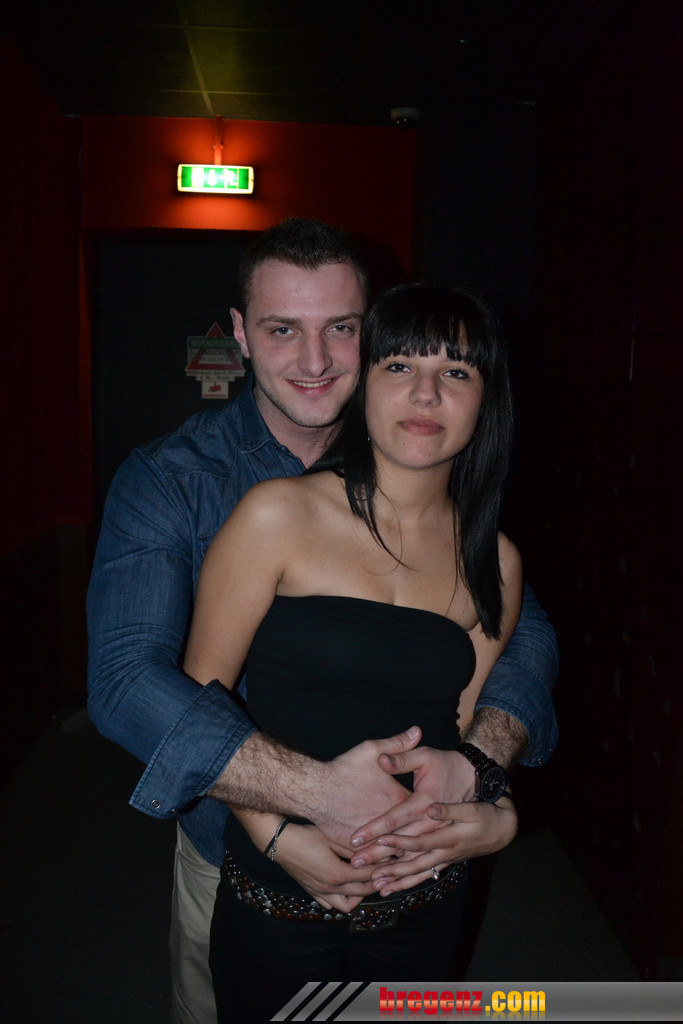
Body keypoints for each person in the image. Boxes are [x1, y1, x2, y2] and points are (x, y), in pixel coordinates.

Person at [86, 219, 558, 1024]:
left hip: (412, 865)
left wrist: (482, 778)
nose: (314, 361)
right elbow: (128, 679)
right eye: (282, 329)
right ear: (240, 335)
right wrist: (296, 813)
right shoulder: (177, 480)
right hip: (237, 847)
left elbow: (522, 635)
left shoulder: (418, 462)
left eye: (340, 328)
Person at [183, 282, 522, 1020]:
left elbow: (465, 732)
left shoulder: (495, 560)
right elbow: (196, 706)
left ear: (484, 401)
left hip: (424, 892)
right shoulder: (277, 515)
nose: (426, 394)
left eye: (455, 371)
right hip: (280, 892)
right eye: (399, 366)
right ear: (363, 384)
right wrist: (276, 836)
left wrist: (491, 813)